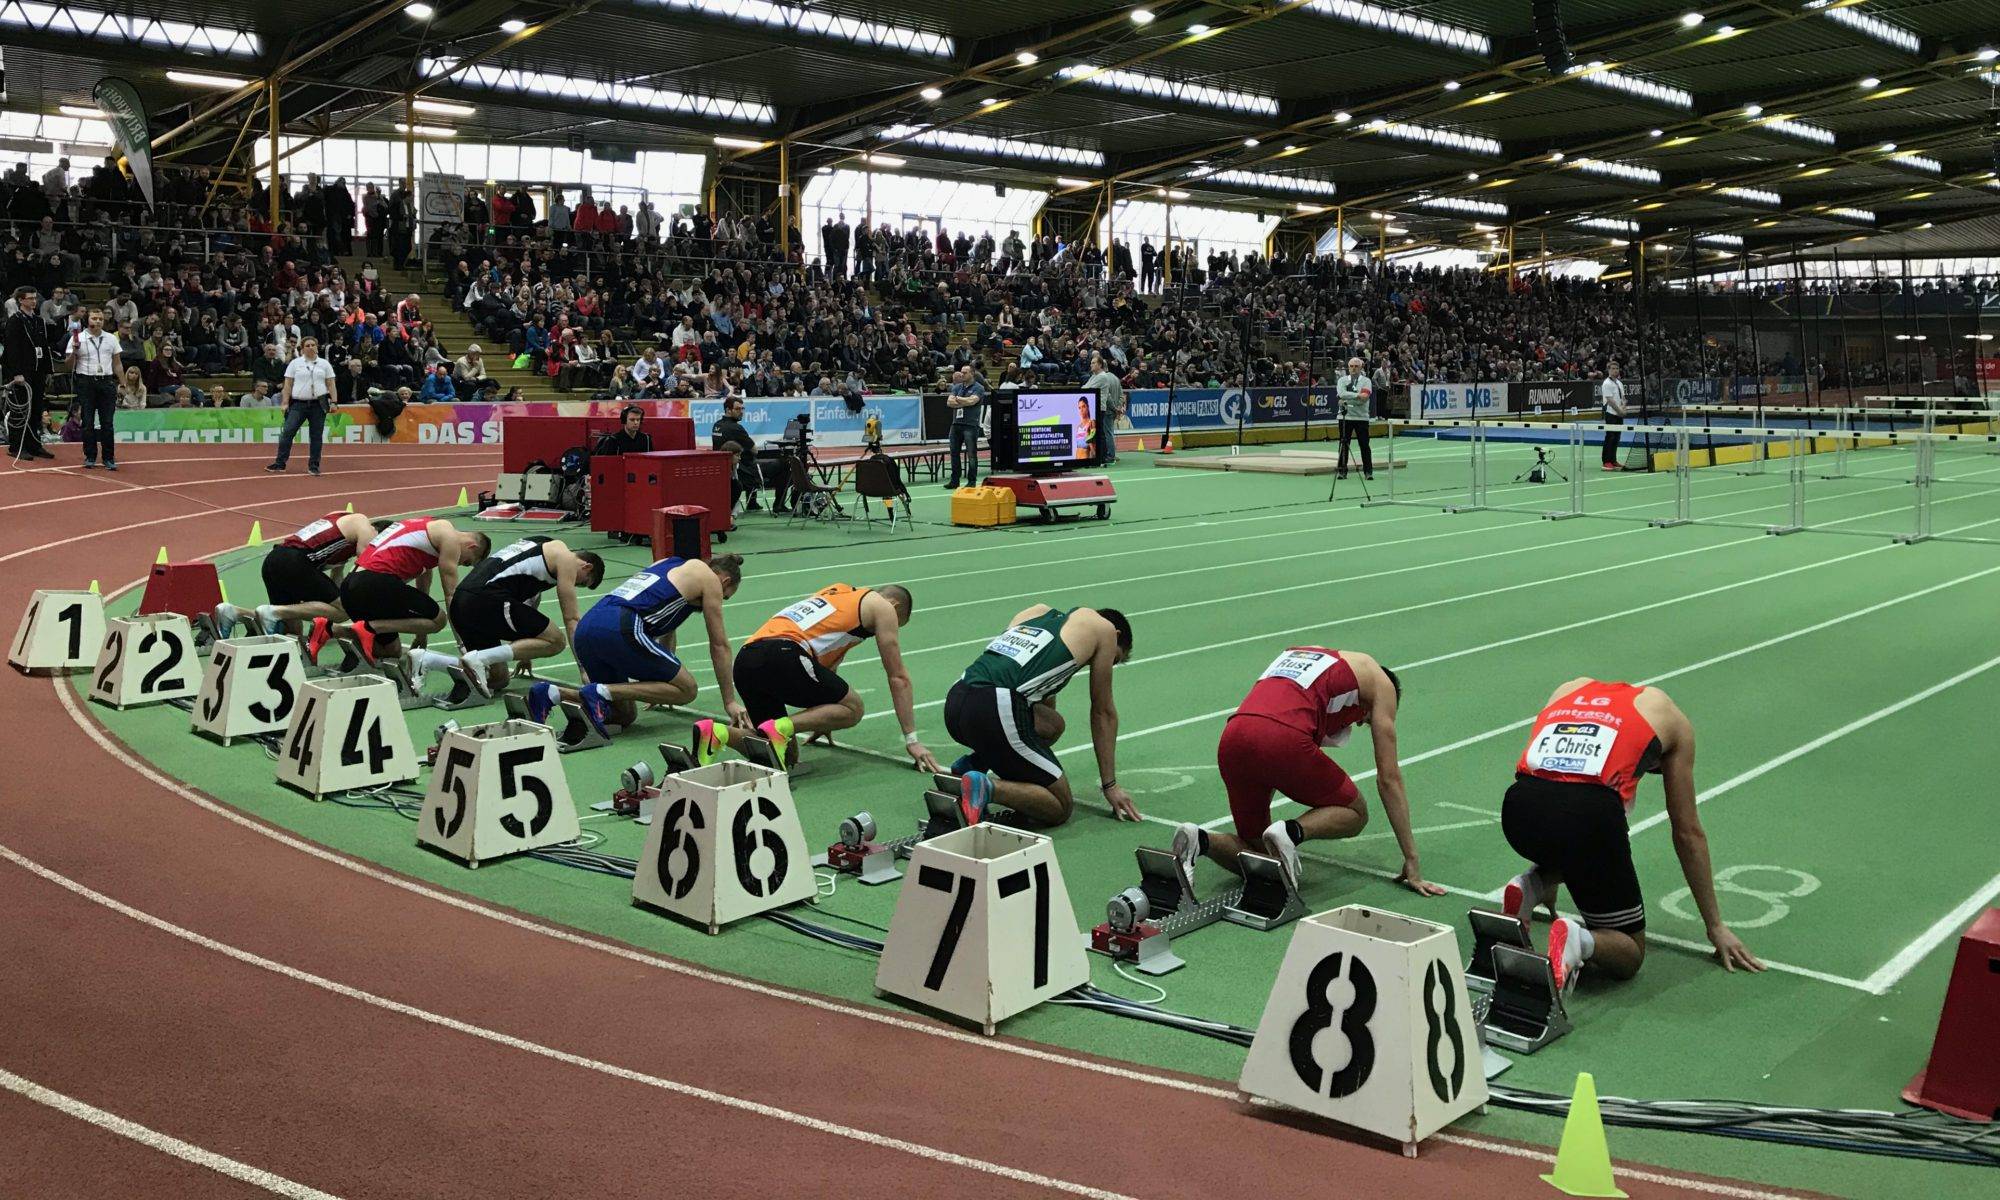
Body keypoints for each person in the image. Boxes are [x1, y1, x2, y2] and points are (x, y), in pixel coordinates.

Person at [1498, 677, 1763, 986]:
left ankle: (1531, 885)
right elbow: (1687, 832)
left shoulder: (1570, 688)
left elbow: (1554, 779)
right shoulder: (1676, 725)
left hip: (1518, 810)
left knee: (1569, 838)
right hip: (1585, 820)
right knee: (1629, 953)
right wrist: (1715, 925)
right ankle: (1579, 939)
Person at [1172, 647, 1441, 899]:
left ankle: (1200, 839)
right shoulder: (1381, 683)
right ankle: (1292, 832)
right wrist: (1412, 858)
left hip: (1233, 737)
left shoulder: (1305, 656)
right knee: (1356, 813)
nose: (1360, 722)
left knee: (1261, 856)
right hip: (1282, 738)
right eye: (1366, 719)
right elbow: (1388, 778)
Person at [946, 604, 1134, 828]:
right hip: (995, 707)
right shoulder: (1104, 630)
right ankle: (986, 786)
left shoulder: (1037, 613)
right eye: (1114, 659)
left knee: (1052, 725)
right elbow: (1103, 712)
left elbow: (1020, 674)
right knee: (1059, 807)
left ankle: (973, 764)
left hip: (957, 701)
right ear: (1116, 635)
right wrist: (1110, 785)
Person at [527, 553, 748, 740]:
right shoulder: (710, 580)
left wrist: (663, 682)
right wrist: (729, 701)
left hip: (589, 626)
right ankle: (599, 691)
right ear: (725, 581)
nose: (722, 599)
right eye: (726, 596)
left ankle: (552, 693)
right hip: (621, 626)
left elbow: (668, 626)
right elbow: (719, 645)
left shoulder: (669, 563)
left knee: (624, 715)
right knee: (687, 689)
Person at [732, 584, 936, 771]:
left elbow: (825, 668)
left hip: (745, 660)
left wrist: (823, 718)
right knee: (853, 709)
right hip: (784, 652)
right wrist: (912, 740)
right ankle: (779, 727)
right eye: (897, 623)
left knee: (783, 757)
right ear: (894, 604)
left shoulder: (838, 592)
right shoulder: (883, 607)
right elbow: (898, 677)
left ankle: (718, 734)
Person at [421, 536, 604, 699]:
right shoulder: (566, 559)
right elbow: (571, 619)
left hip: (462, 602)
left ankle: (428, 659)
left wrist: (527, 651)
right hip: (487, 598)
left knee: (499, 679)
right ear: (586, 566)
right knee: (556, 641)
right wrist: (583, 669)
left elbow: (531, 596)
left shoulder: (539, 546)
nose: (576, 584)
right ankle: (480, 658)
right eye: (582, 582)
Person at [310, 516, 489, 666]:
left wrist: (421, 634)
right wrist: (464, 646)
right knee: (439, 620)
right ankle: (369, 628)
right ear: (471, 546)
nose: (460, 563)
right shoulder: (449, 537)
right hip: (373, 583)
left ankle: (331, 629)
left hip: (352, 586)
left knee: (391, 652)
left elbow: (423, 589)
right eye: (466, 562)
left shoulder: (427, 531)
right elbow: (451, 597)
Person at [214, 510, 377, 638]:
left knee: (292, 631)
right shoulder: (364, 524)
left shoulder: (341, 528)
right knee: (344, 611)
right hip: (294, 561)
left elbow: (334, 584)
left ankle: (233, 612)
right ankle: (273, 612)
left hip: (275, 560)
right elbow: (366, 569)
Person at [268, 336, 336, 475]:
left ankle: (314, 466)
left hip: (319, 404)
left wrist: (334, 402)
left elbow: (331, 384)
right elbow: (288, 384)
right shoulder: (295, 363)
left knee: (316, 436)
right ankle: (280, 463)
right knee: (287, 432)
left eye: (313, 345)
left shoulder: (324, 364)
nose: (311, 347)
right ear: (302, 348)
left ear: (317, 347)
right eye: (307, 345)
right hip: (298, 404)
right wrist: (285, 402)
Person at [66, 306, 121, 470]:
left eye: (100, 319)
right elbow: (68, 365)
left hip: (106, 382)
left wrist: (123, 383)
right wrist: (74, 352)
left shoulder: (111, 338)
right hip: (86, 382)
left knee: (107, 423)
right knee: (88, 422)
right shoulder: (78, 338)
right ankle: (90, 455)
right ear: (87, 320)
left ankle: (108, 457)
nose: (97, 321)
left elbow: (117, 363)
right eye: (94, 318)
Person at [4, 286, 53, 459]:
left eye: (35, 298)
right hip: (22, 372)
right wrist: (16, 373)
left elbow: (44, 346)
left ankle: (34, 444)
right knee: (20, 411)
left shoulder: (38, 321)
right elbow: (11, 349)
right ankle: (16, 446)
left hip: (37, 371)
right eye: (30, 298)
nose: (34, 301)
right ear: (21, 300)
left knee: (36, 409)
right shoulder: (15, 321)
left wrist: (48, 370)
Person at [710, 394, 760, 512]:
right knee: (780, 465)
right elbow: (755, 450)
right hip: (738, 471)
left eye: (743, 409)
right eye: (738, 409)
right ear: (728, 410)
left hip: (720, 469)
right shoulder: (736, 428)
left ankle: (752, 502)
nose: (741, 412)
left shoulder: (716, 425)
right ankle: (777, 504)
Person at [944, 366, 985, 488]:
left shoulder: (979, 388)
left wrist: (958, 399)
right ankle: (955, 480)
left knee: (971, 454)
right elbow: (949, 403)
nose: (962, 375)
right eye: (961, 372)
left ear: (972, 374)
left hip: (970, 425)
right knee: (954, 453)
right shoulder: (957, 387)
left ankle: (971, 481)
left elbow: (972, 401)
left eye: (965, 373)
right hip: (956, 424)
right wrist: (963, 401)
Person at [1335, 356, 1374, 480]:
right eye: (1351, 366)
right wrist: (1358, 395)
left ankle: (1368, 472)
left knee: (1364, 445)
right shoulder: (1342, 380)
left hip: (1361, 418)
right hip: (1345, 417)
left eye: (1356, 366)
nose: (1353, 368)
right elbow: (1342, 394)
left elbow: (1365, 398)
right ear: (1348, 367)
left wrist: (1347, 399)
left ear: (1361, 367)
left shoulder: (1367, 381)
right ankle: (1342, 471)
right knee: (1344, 444)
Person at [1084, 354, 1123, 463]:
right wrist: (1116, 407)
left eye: (1093, 363)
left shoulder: (1102, 377)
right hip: (1102, 407)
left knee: (1103, 433)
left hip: (1100, 407)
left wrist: (1115, 408)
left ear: (1100, 365)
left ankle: (1105, 456)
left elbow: (1087, 388)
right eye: (1091, 362)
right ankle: (1104, 455)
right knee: (1103, 432)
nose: (1091, 365)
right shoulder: (1096, 376)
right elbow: (1115, 395)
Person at [1600, 359, 1627, 471]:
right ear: (1609, 370)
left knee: (1616, 437)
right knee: (1610, 437)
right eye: (1613, 369)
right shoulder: (1606, 383)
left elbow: (1623, 398)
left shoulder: (1619, 383)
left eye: (1617, 369)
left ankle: (1613, 460)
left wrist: (1624, 408)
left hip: (1619, 413)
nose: (1615, 371)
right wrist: (1620, 411)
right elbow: (1610, 400)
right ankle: (1606, 461)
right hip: (1611, 413)